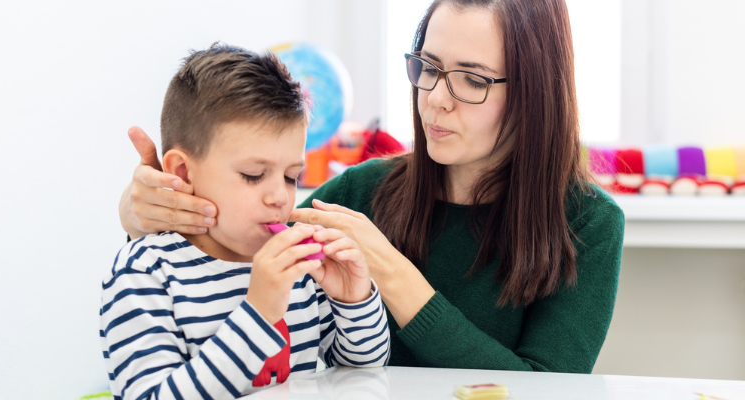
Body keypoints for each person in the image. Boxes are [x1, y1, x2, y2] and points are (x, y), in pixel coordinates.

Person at [118, 0, 625, 374]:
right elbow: (227, 251)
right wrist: (144, 216)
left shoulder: (590, 224)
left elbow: (550, 389)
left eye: (472, 79)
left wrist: (390, 273)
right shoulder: (360, 193)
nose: (435, 101)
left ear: (538, 88)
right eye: (427, 67)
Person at [101, 43, 389, 400]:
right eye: (254, 175)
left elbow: (363, 374)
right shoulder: (145, 271)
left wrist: (354, 300)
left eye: (290, 176)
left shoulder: (297, 266)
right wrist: (258, 312)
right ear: (182, 172)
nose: (280, 197)